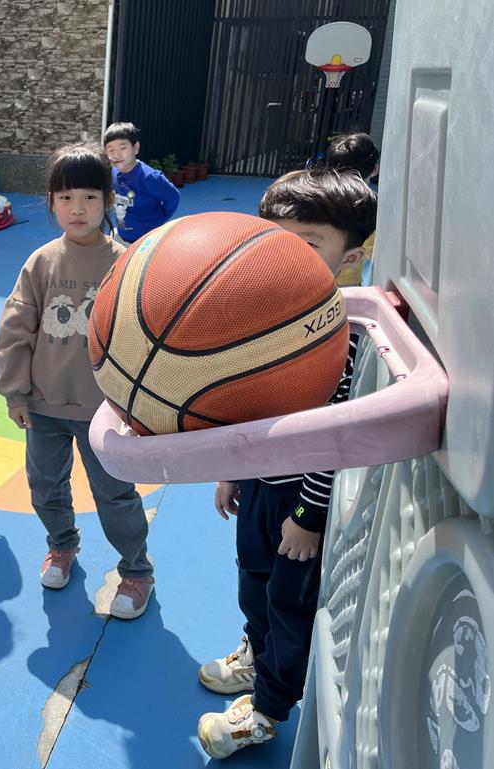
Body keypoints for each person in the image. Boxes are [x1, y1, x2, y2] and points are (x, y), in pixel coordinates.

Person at [197, 169, 377, 759]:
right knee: (253, 582)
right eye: (275, 241)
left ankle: (269, 709)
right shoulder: (264, 318)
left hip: (303, 497)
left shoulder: (343, 334)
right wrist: (233, 469)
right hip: (260, 482)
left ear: (350, 257)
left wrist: (309, 515)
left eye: (308, 244)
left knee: (289, 603)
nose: (287, 258)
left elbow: (334, 437)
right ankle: (256, 656)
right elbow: (248, 405)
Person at [0, 144, 155, 619]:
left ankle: (137, 570)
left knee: (115, 494)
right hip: (44, 405)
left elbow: (144, 336)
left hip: (106, 411)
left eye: (89, 196)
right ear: (51, 202)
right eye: (65, 198)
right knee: (45, 486)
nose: (77, 208)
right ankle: (62, 546)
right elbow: (16, 329)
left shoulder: (127, 262)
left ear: (108, 200)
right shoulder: (41, 262)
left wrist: (140, 404)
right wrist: (15, 392)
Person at [102, 122, 180, 244]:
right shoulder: (113, 173)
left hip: (148, 241)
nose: (116, 154)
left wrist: (161, 218)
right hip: (121, 237)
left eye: (123, 148)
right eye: (111, 150)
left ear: (135, 148)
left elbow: (173, 197)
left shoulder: (150, 177)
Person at [323, 131, 380, 287]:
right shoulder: (366, 206)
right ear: (375, 169)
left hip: (311, 279)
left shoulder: (316, 196)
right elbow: (374, 251)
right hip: (345, 285)